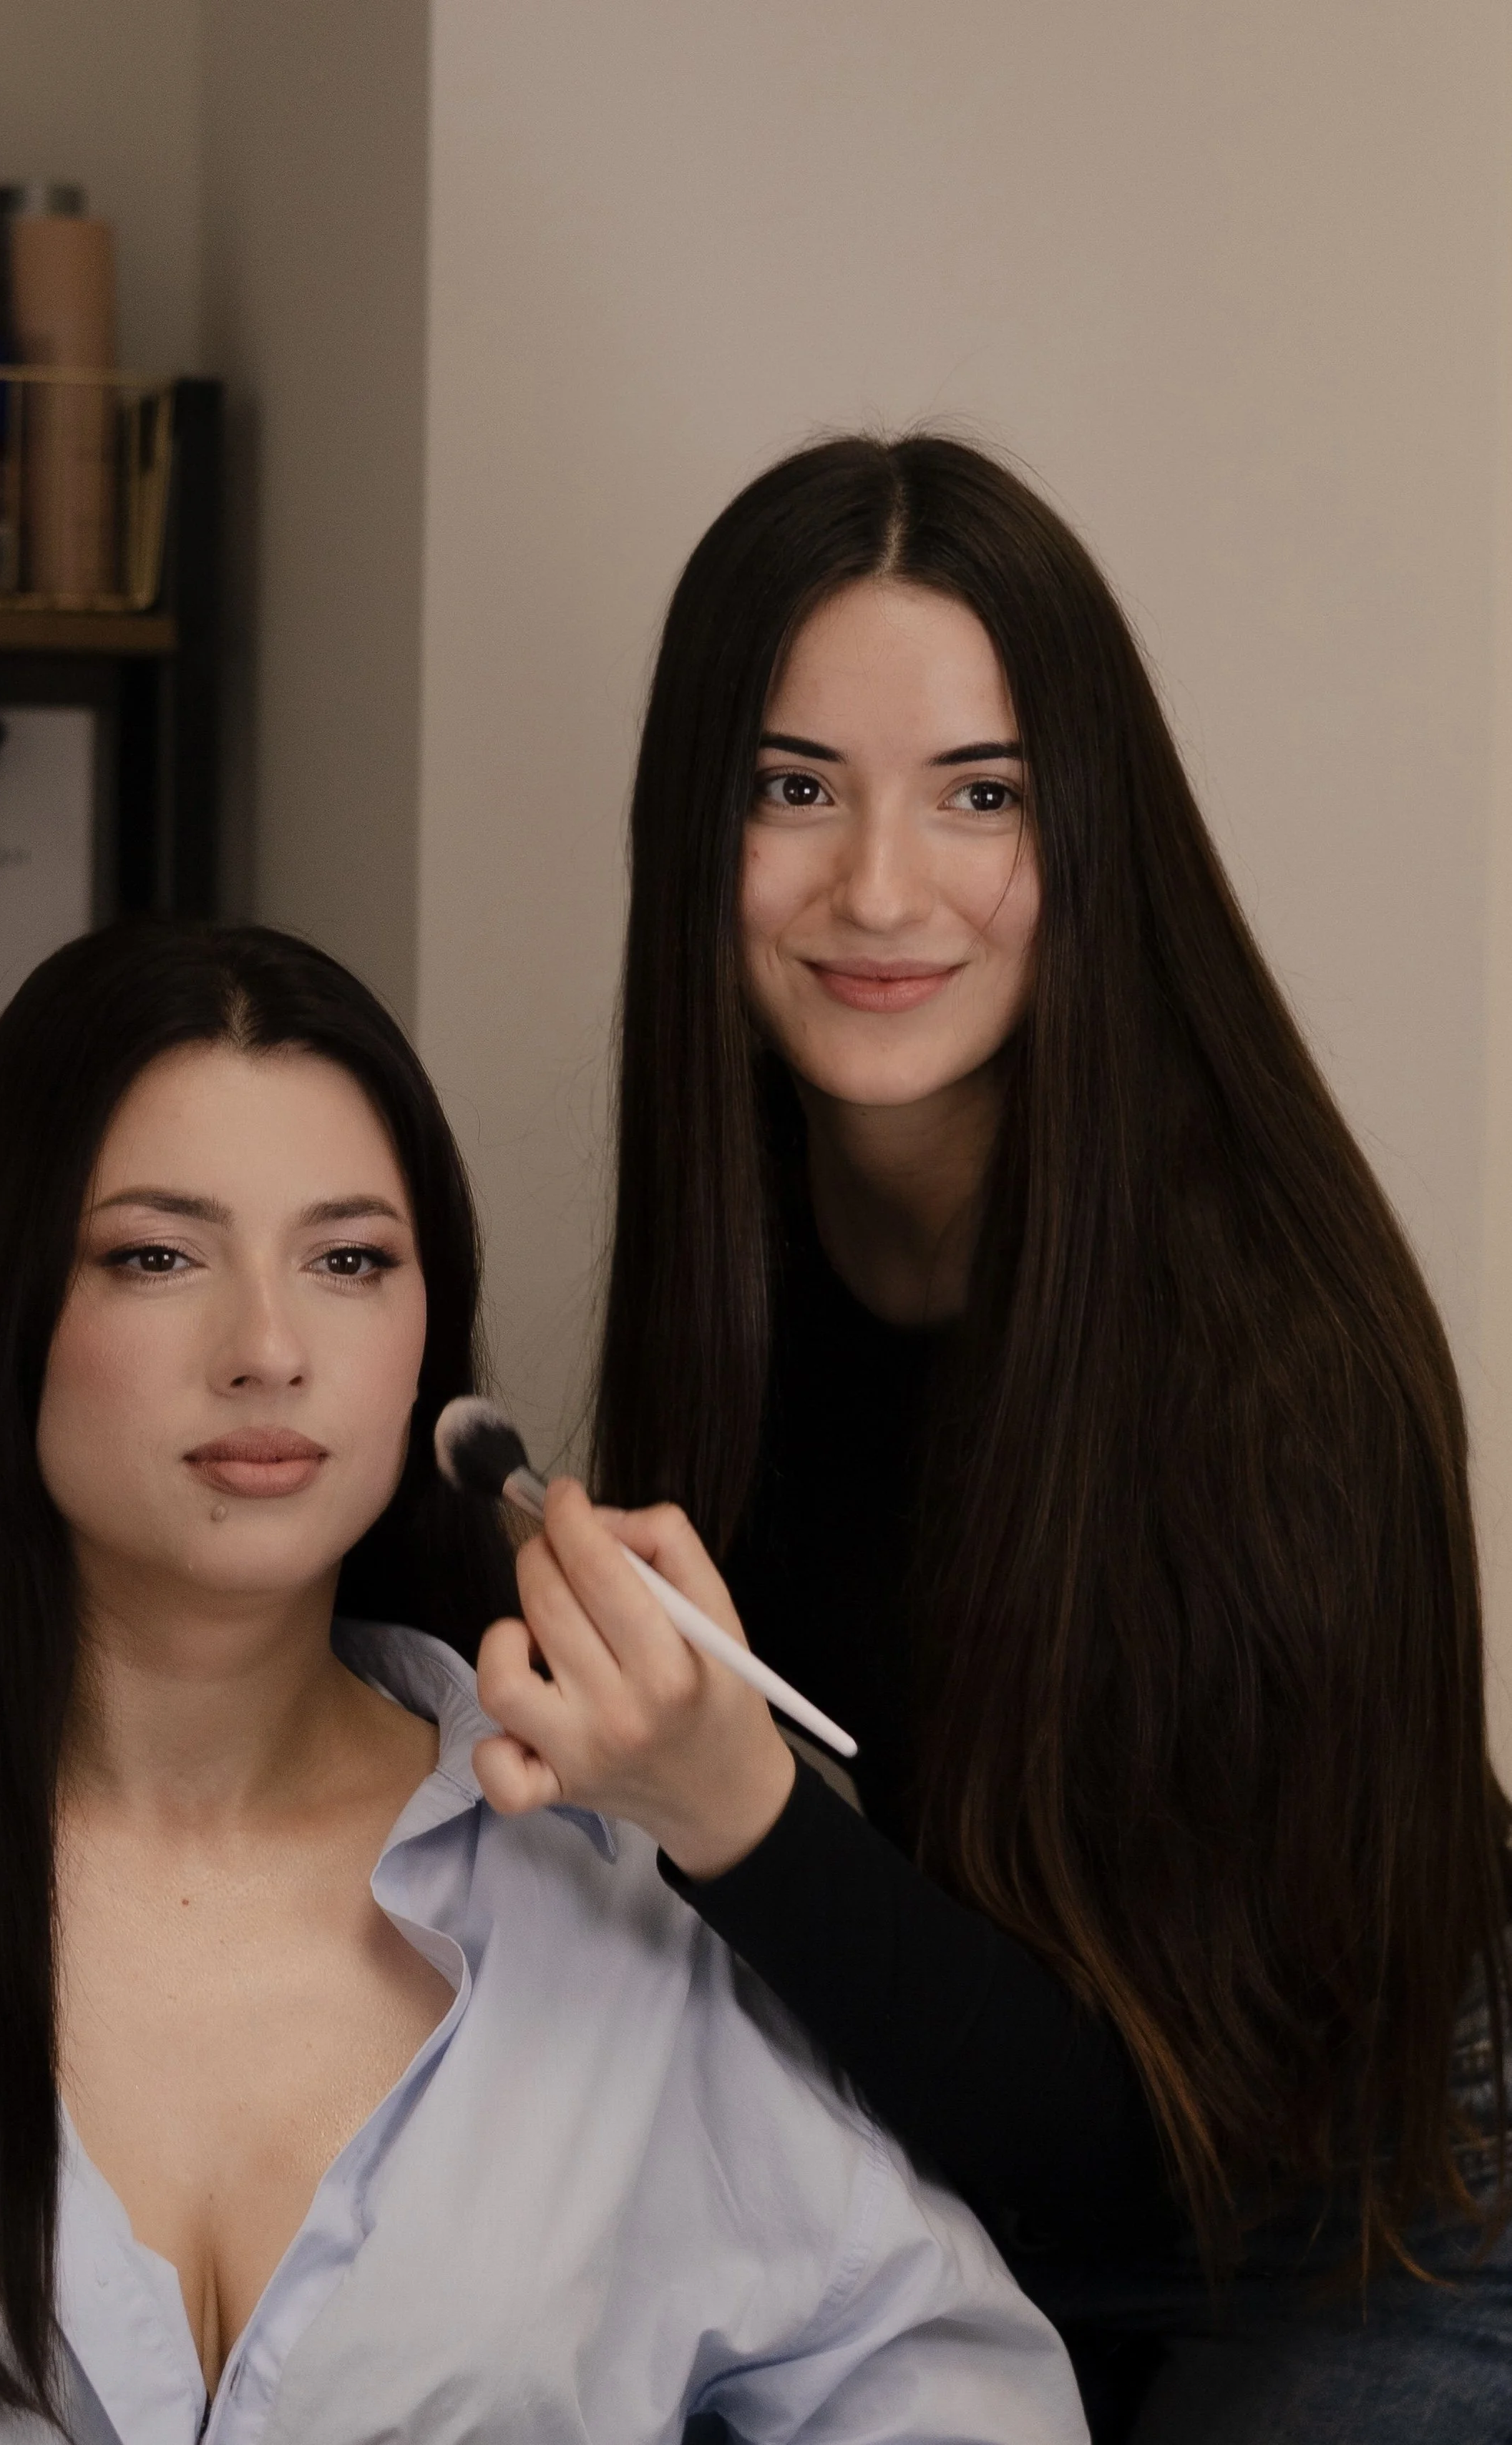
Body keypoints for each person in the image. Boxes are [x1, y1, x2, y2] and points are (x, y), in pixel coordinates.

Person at [473, 434, 1512, 2442]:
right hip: (953, 2167)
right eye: (792, 788)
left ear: (1091, 829)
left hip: (1355, 2205)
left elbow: (1150, 2157)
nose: (878, 889)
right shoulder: (742, 1221)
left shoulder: (1283, 1366)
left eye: (981, 794)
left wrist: (735, 1810)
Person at [0, 920, 1086, 2444]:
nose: (268, 1348)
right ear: (7, 1310)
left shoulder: (596, 1894)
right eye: (157, 1256)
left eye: (348, 1261)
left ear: (427, 1344)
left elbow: (956, 2393)